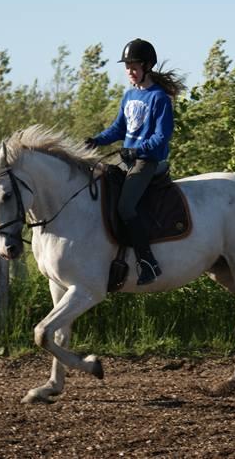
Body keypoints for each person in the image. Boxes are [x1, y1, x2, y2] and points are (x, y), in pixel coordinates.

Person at [85, 38, 185, 285]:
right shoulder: (129, 95)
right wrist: (96, 140)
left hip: (147, 162)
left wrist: (138, 151)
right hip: (128, 159)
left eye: (134, 66)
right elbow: (119, 129)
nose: (130, 71)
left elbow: (162, 137)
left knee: (125, 207)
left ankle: (147, 262)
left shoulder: (159, 98)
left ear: (147, 66)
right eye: (127, 66)